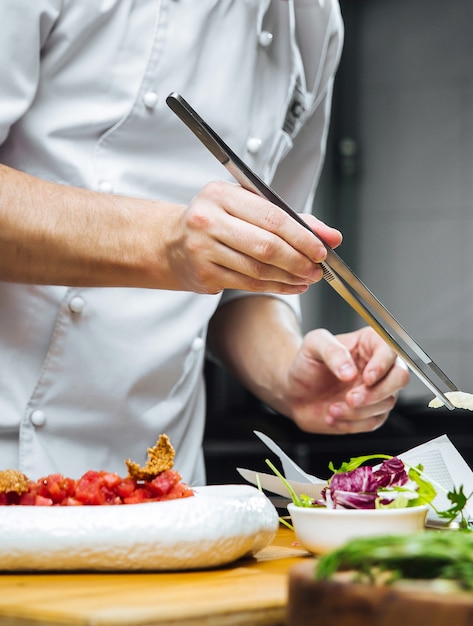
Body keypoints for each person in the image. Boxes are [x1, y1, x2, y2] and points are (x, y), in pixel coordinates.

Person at [0, 1, 409, 485]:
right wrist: (166, 245)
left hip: (159, 481)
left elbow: (246, 280)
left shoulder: (314, 22)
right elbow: (188, 250)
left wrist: (287, 374)